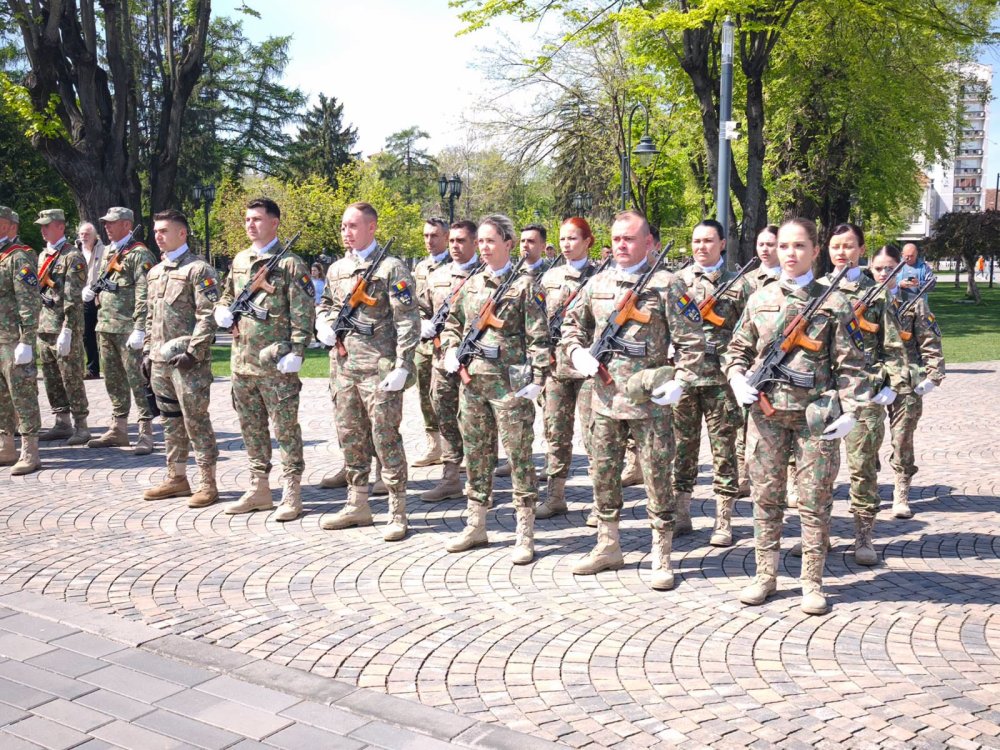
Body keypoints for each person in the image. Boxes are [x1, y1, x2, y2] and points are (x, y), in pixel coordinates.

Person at [724, 218, 866, 615]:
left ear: (815, 251)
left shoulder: (835, 303)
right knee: (765, 498)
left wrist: (851, 410)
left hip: (814, 418)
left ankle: (811, 582)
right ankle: (764, 576)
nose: (790, 253)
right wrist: (736, 377)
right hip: (766, 415)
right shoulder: (760, 298)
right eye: (784, 246)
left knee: (814, 500)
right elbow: (736, 348)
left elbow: (852, 366)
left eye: (799, 246)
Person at [562, 210, 705, 590]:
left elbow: (693, 343)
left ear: (648, 242)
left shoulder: (667, 285)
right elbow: (570, 326)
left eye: (630, 238)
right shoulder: (597, 282)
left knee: (657, 477)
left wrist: (680, 382)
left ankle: (662, 553)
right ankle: (608, 545)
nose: (622, 245)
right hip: (604, 398)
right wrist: (576, 352)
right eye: (617, 239)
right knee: (603, 474)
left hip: (650, 402)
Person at [440, 213, 549, 563]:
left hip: (510, 386)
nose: (484, 247)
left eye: (491, 241)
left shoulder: (526, 286)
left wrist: (538, 379)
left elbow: (539, 337)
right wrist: (450, 349)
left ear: (508, 244)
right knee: (476, 455)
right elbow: (452, 324)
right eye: (481, 241)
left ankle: (525, 531)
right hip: (473, 384)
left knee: (519, 457)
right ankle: (476, 524)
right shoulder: (470, 284)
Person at [316, 202, 419, 542]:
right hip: (344, 368)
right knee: (351, 436)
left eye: (353, 226)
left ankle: (397, 510)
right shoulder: (337, 269)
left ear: (371, 227)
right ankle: (357, 504)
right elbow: (327, 304)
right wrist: (323, 323)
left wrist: (403, 364)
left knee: (385, 438)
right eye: (343, 226)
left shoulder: (391, 268)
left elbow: (408, 320)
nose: (346, 232)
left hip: (379, 369)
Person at [215, 198, 315, 521]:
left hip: (275, 363)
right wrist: (222, 309)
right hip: (242, 362)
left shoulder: (290, 264)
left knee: (285, 429)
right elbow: (228, 294)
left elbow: (303, 313)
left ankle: (292, 490)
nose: (250, 224)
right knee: (251, 428)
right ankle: (259, 488)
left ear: (274, 222)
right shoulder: (240, 260)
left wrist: (298, 351)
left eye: (257, 219)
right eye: (247, 219)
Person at [811, 224, 905, 566]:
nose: (842, 252)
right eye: (836, 246)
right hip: (822, 393)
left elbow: (893, 346)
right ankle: (817, 535)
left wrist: (891, 384)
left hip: (863, 392)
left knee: (862, 466)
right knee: (817, 469)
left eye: (849, 246)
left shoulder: (876, 293)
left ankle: (864, 534)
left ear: (861, 249)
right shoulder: (815, 290)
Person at [671, 219, 751, 547]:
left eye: (707, 241)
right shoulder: (678, 282)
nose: (701, 247)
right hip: (686, 377)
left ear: (722, 244)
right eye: (696, 241)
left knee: (724, 449)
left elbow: (749, 329)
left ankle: (723, 519)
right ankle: (681, 513)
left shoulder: (739, 284)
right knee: (682, 447)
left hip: (721, 379)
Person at [141, 209, 220, 507]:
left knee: (195, 420)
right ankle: (176, 477)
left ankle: (207, 483)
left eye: (164, 230)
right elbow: (150, 317)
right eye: (156, 231)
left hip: (189, 363)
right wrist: (147, 352)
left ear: (182, 233)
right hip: (160, 362)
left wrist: (193, 352)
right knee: (170, 421)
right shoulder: (155, 272)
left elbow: (208, 315)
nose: (158, 236)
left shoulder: (198, 270)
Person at [535, 217, 599, 521]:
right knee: (555, 432)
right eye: (562, 239)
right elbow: (537, 320)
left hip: (589, 367)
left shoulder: (601, 277)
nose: (566, 244)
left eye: (573, 238)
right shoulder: (549, 277)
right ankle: (555, 496)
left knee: (595, 434)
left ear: (587, 241)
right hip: (556, 366)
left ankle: (601, 501)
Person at [84, 208, 158, 455]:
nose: (106, 226)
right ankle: (119, 428)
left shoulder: (140, 254)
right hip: (106, 326)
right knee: (113, 380)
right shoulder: (109, 252)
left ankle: (146, 431)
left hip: (128, 329)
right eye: (105, 223)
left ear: (127, 224)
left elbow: (145, 294)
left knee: (138, 381)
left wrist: (140, 328)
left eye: (112, 223)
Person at [419, 219, 479, 503]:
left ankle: (480, 482)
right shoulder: (437, 276)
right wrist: (423, 323)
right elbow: (420, 307)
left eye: (461, 241)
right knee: (445, 418)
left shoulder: (486, 276)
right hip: (443, 360)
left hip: (477, 363)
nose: (455, 246)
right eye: (452, 240)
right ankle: (451, 478)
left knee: (478, 422)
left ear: (475, 243)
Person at [883, 246, 945, 519]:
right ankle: (867, 490)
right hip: (871, 382)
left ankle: (901, 490)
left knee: (902, 437)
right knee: (866, 441)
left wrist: (933, 376)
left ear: (899, 269)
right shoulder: (863, 302)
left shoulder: (914, 301)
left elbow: (930, 340)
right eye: (879, 268)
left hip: (906, 380)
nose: (884, 273)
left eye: (890, 268)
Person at [34, 209, 91, 446]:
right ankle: (62, 422)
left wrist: (67, 330)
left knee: (71, 378)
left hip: (64, 328)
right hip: (44, 326)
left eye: (47, 226)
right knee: (52, 379)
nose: (43, 230)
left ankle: (81, 425)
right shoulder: (43, 255)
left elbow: (73, 298)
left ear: (60, 227)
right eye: (41, 226)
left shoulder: (72, 257)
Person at [735, 225, 781, 497]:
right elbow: (736, 322)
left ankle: (788, 481)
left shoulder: (792, 281)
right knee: (743, 421)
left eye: (771, 244)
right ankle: (743, 473)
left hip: (781, 361)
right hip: (749, 362)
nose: (765, 249)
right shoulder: (746, 281)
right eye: (761, 244)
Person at [0, 206, 43, 475]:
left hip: (13, 339)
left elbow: (29, 301)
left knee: (23, 395)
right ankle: (6, 445)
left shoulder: (18, 257)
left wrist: (26, 340)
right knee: (2, 397)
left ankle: (31, 451)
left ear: (9, 226)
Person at [411, 217, 452, 468]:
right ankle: (434, 445)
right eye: (426, 235)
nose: (429, 240)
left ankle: (454, 447)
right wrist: (420, 321)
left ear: (446, 237)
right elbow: (414, 302)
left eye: (434, 235)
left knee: (448, 395)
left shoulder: (456, 264)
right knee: (425, 393)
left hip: (448, 341)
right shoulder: (421, 267)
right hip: (424, 341)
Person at [77, 222, 104, 379]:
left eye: (87, 234)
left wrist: (96, 290)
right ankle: (92, 369)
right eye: (81, 234)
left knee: (104, 335)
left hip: (100, 297)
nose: (84, 236)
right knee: (86, 334)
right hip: (81, 298)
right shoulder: (75, 251)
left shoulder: (104, 250)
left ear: (95, 236)